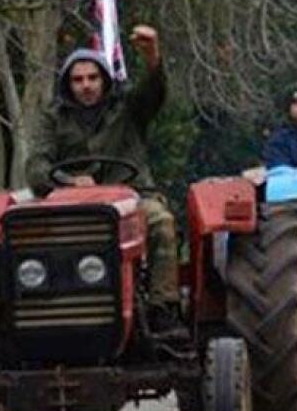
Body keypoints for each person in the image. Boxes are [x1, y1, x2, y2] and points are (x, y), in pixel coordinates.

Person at [26, 26, 181, 323]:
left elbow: (154, 92)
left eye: (93, 78)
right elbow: (36, 167)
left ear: (105, 80)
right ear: (67, 85)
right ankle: (40, 307)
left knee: (161, 223)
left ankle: (163, 307)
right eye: (78, 79)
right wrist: (69, 182)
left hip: (131, 198)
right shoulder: (53, 118)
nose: (86, 85)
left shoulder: (128, 109)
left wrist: (152, 57)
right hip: (71, 205)